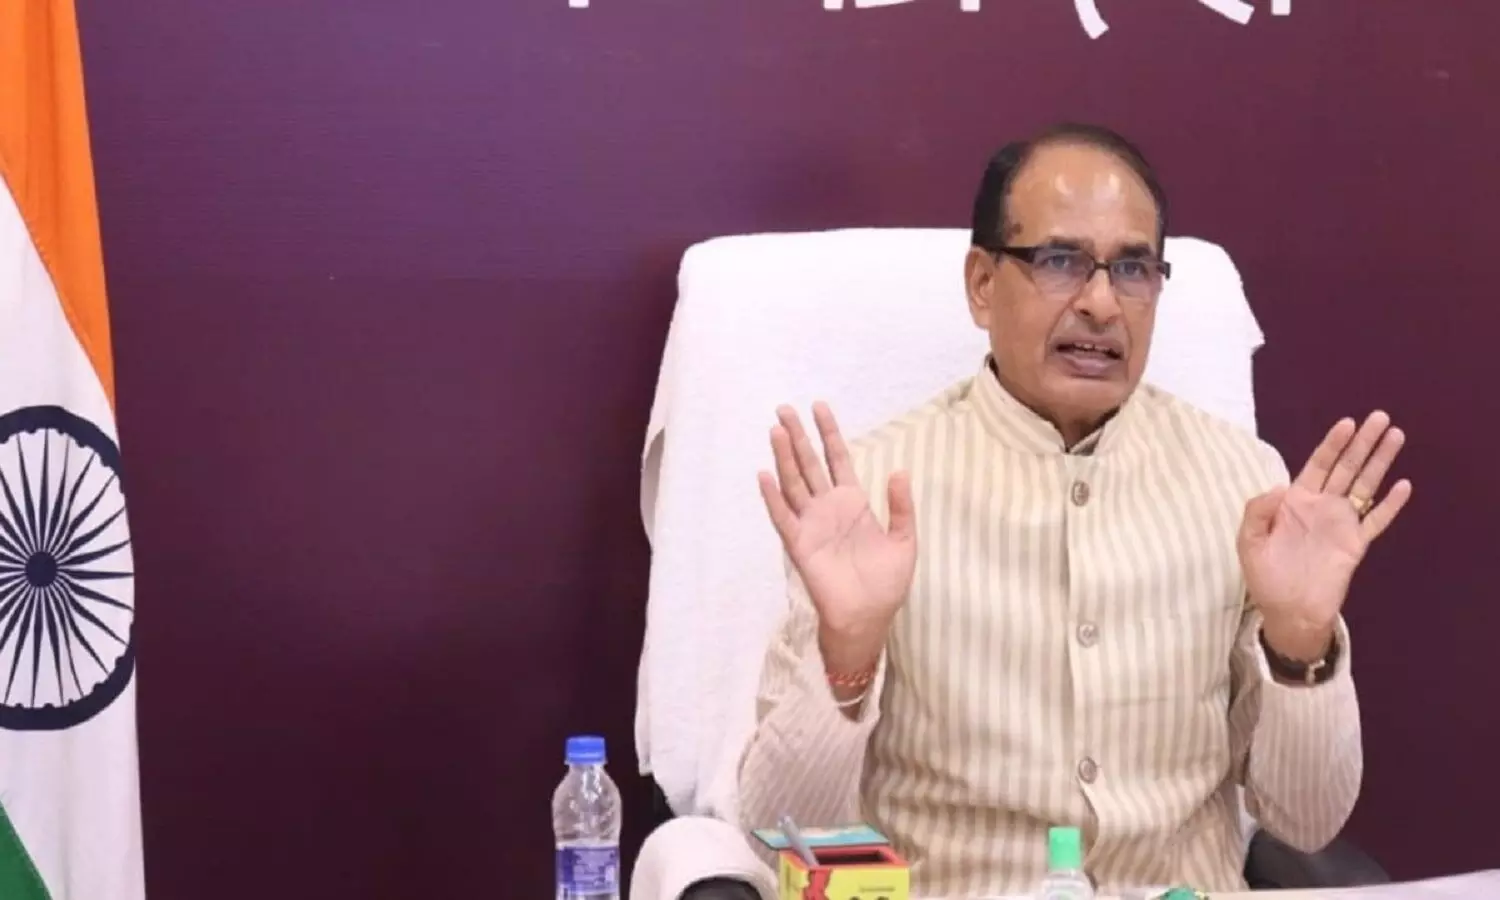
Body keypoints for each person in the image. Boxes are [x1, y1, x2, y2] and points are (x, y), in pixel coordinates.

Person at [638, 123, 1411, 900]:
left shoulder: (1244, 484)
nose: (1101, 303)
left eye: (1133, 268)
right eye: (1060, 261)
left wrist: (1300, 645)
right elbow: (784, 826)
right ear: (982, 284)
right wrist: (849, 651)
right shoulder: (873, 493)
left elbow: (1308, 823)